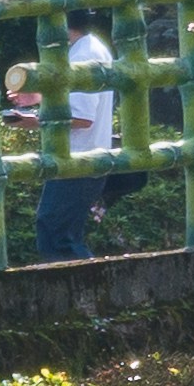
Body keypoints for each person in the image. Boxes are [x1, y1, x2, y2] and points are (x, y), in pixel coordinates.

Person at [35, 19, 122, 262]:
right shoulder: (91, 47)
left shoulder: (83, 54)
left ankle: (89, 295)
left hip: (78, 157)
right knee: (62, 234)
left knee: (56, 235)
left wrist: (34, 120)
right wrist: (40, 98)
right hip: (84, 155)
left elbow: (81, 117)